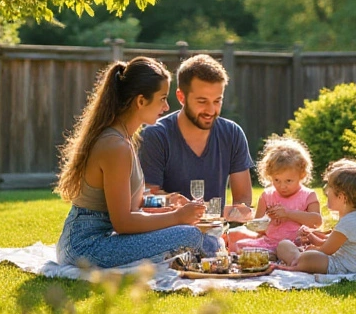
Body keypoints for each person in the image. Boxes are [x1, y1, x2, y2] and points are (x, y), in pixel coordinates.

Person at [54, 57, 220, 268]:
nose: (166, 106)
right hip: (86, 248)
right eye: (162, 98)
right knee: (190, 236)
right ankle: (213, 251)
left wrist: (168, 203)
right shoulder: (115, 146)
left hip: (97, 241)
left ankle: (210, 249)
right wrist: (177, 217)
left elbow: (134, 205)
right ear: (141, 101)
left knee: (197, 234)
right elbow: (123, 223)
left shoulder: (124, 139)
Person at [139, 55, 254, 221]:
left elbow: (243, 201)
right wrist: (173, 202)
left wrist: (235, 215)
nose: (211, 110)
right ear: (181, 97)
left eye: (217, 101)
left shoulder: (232, 134)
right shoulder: (156, 136)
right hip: (167, 232)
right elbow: (146, 201)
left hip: (215, 232)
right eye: (202, 101)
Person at [277, 159, 356, 275]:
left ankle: (297, 263)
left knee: (310, 257)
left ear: (342, 197)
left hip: (348, 266)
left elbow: (326, 250)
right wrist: (312, 235)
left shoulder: (350, 221)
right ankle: (297, 260)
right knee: (284, 245)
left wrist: (312, 247)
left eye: (329, 191)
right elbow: (331, 241)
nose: (326, 192)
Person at [225, 137, 323, 258]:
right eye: (277, 180)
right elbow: (258, 228)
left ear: (302, 175)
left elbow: (316, 221)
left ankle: (276, 257)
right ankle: (271, 256)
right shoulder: (267, 196)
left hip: (296, 245)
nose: (282, 186)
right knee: (239, 245)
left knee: (304, 253)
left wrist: (288, 213)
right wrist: (268, 220)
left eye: (288, 181)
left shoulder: (308, 195)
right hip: (269, 243)